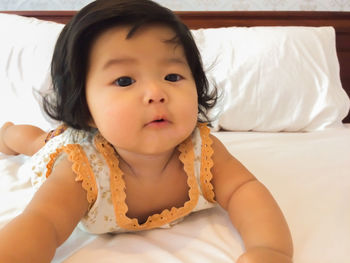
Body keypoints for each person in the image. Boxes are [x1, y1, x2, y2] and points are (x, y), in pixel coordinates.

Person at [0, 0, 293, 262]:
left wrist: (270, 248)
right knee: (38, 142)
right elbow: (43, 222)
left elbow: (245, 191)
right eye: (125, 80)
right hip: (70, 145)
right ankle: (8, 134)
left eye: (172, 76)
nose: (156, 92)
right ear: (85, 107)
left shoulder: (204, 151)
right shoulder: (82, 170)